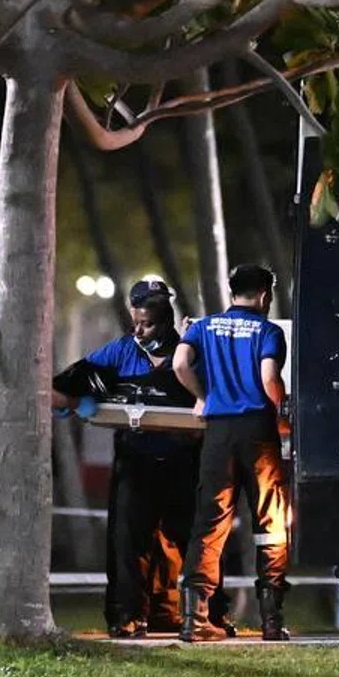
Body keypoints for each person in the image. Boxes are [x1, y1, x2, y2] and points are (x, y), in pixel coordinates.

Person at [53, 278, 223, 638]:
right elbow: (62, 386)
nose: (139, 331)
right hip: (135, 460)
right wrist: (79, 401)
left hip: (184, 462)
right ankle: (127, 616)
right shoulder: (120, 352)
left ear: (165, 321)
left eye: (147, 324)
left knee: (193, 540)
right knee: (128, 541)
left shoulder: (190, 353)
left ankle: (199, 614)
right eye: (136, 322)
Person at [174, 263, 292, 641]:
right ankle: (271, 620)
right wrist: (282, 411)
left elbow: (179, 364)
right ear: (265, 295)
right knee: (271, 522)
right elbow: (269, 378)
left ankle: (194, 619)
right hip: (258, 432)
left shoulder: (202, 327)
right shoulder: (268, 331)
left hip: (218, 434)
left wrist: (204, 397)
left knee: (210, 521)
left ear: (231, 292)